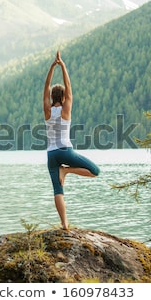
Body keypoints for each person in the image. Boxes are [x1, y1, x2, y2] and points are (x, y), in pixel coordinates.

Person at [43, 50, 100, 230]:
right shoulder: (66, 109)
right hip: (65, 151)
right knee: (95, 171)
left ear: (52, 97)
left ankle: (64, 224)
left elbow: (45, 88)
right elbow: (69, 87)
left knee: (57, 191)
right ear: (64, 97)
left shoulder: (48, 111)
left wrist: (52, 67)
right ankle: (66, 171)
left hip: (51, 154)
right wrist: (63, 66)